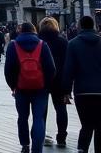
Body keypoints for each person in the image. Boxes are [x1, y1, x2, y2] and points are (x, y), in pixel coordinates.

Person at [60, 15, 101, 153]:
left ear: (80, 26)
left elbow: (68, 70)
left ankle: (82, 149)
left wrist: (66, 91)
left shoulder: (73, 44)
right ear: (94, 26)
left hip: (82, 91)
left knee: (86, 125)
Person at [5, 19, 57, 153]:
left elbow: (8, 69)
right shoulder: (42, 45)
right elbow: (51, 69)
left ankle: (25, 144)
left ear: (20, 32)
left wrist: (13, 86)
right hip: (40, 88)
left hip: (21, 88)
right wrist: (46, 85)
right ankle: (37, 148)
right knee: (39, 118)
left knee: (22, 117)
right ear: (34, 31)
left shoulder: (13, 45)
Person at [38, 17, 70, 148]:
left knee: (41, 110)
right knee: (61, 109)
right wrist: (68, 85)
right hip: (60, 80)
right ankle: (61, 137)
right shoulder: (63, 42)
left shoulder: (38, 42)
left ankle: (41, 135)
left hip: (41, 80)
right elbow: (68, 64)